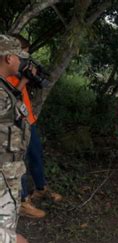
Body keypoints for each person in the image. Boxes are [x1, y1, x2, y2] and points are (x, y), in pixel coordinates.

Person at [7, 35, 62, 220]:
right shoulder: (6, 72)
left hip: (28, 120)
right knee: (18, 161)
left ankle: (40, 188)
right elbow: (9, 100)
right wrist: (23, 79)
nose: (25, 58)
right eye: (24, 54)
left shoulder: (18, 70)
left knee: (36, 154)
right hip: (15, 125)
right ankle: (22, 201)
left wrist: (31, 76)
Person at [0, 34, 38, 243]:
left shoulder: (5, 87)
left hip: (9, 172)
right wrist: (9, 241)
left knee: (7, 221)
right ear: (9, 57)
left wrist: (23, 82)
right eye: (20, 58)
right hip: (2, 173)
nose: (23, 62)